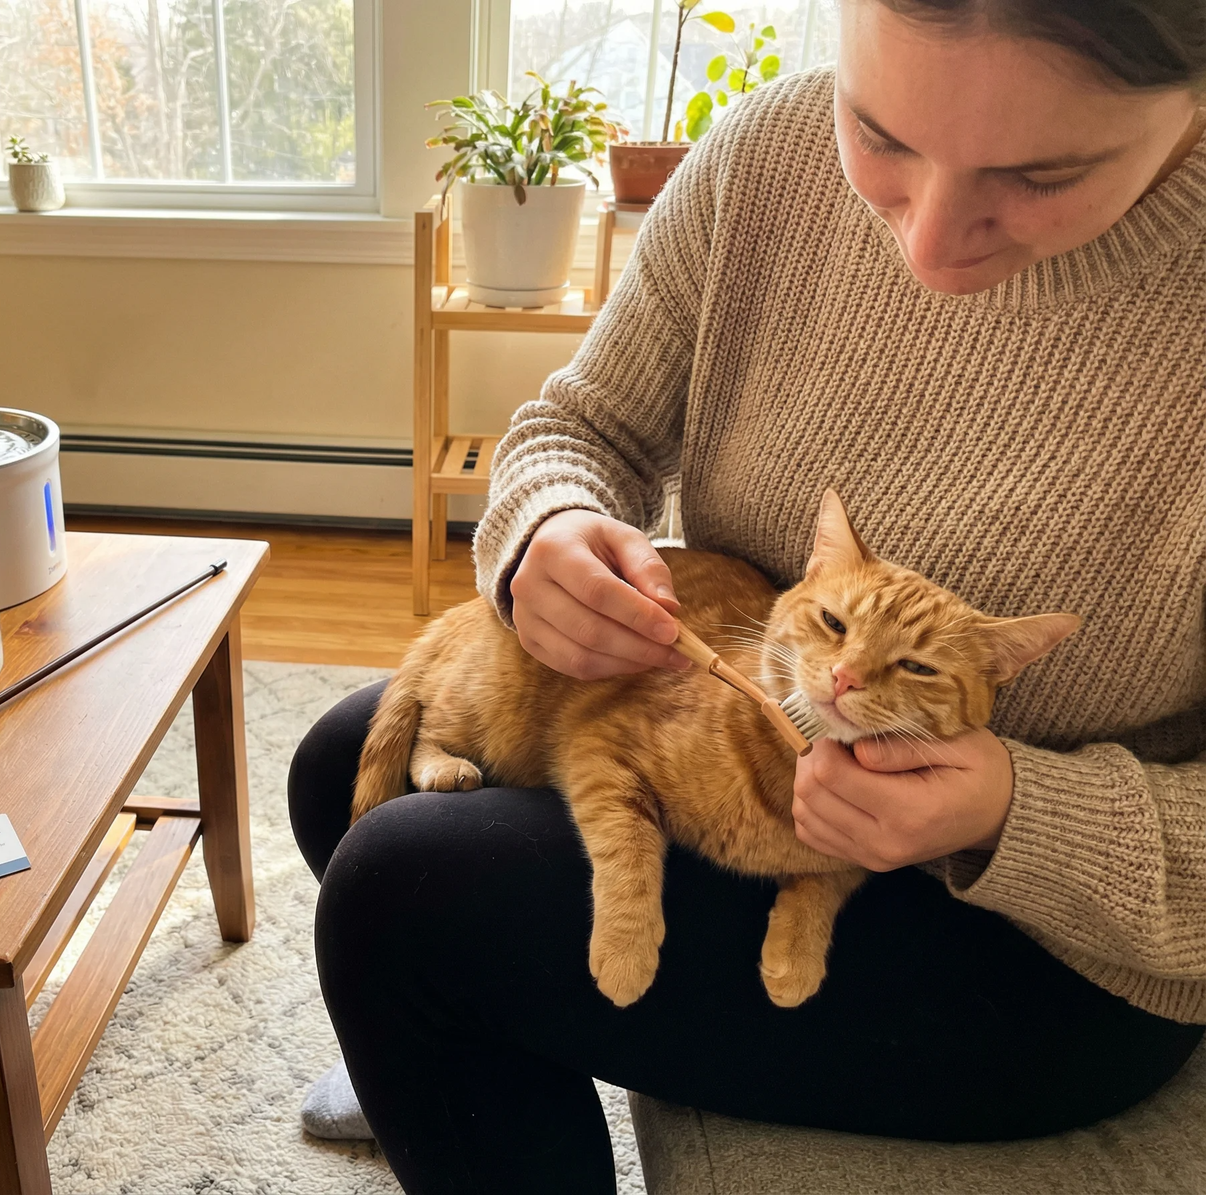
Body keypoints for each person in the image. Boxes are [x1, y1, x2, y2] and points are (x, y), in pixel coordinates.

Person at [289, 0, 1206, 1190]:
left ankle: (456, 1023)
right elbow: (579, 423)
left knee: (402, 903)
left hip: (1043, 940)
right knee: (338, 765)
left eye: (1040, 175)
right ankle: (477, 1057)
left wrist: (1015, 812)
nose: (927, 249)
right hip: (745, 739)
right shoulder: (765, 155)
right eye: (876, 132)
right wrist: (548, 530)